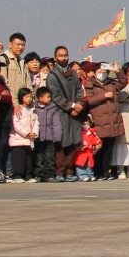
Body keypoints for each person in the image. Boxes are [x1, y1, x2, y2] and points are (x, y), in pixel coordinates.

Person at [46, 46, 85, 182]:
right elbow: (55, 96)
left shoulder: (73, 73)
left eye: (65, 55)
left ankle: (69, 171)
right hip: (60, 113)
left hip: (75, 113)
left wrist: (79, 105)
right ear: (55, 58)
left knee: (74, 142)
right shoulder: (52, 76)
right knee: (62, 142)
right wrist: (71, 106)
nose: (64, 58)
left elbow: (80, 91)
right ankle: (60, 171)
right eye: (60, 55)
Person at [82, 61, 124, 180]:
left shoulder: (111, 83)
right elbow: (88, 101)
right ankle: (97, 172)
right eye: (100, 72)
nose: (102, 74)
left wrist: (117, 71)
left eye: (104, 72)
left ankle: (105, 172)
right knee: (98, 148)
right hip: (99, 120)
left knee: (109, 149)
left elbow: (123, 82)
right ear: (95, 73)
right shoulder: (90, 84)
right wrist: (103, 96)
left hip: (112, 120)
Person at [8, 88, 38, 183]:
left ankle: (28, 175)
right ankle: (17, 175)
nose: (29, 99)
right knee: (18, 158)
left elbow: (36, 122)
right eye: (26, 96)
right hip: (18, 139)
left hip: (29, 139)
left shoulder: (33, 109)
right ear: (21, 97)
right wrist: (26, 133)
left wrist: (34, 132)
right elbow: (15, 124)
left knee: (28, 158)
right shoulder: (18, 109)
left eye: (30, 96)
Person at [32, 87, 61, 182]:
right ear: (40, 98)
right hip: (38, 138)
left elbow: (56, 123)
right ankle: (38, 175)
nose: (49, 99)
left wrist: (56, 136)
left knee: (50, 157)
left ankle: (49, 175)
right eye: (47, 97)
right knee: (38, 157)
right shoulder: (33, 108)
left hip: (49, 137)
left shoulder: (53, 108)